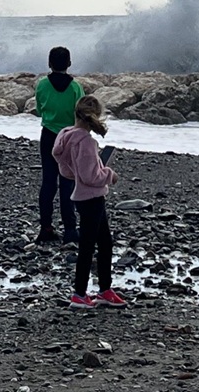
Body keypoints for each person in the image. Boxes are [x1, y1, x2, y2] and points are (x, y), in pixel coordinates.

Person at [52, 95, 127, 309]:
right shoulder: (85, 142)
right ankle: (80, 293)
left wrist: (91, 170)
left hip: (85, 197)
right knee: (89, 246)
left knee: (104, 243)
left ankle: (104, 289)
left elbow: (67, 170)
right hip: (90, 197)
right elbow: (89, 176)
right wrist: (109, 174)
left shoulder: (65, 136)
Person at [33, 46, 83, 244]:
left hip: (48, 135)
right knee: (67, 183)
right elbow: (80, 114)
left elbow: (39, 109)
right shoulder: (75, 87)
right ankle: (70, 229)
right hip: (69, 136)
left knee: (48, 182)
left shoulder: (42, 85)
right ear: (69, 64)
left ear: (49, 63)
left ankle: (45, 227)